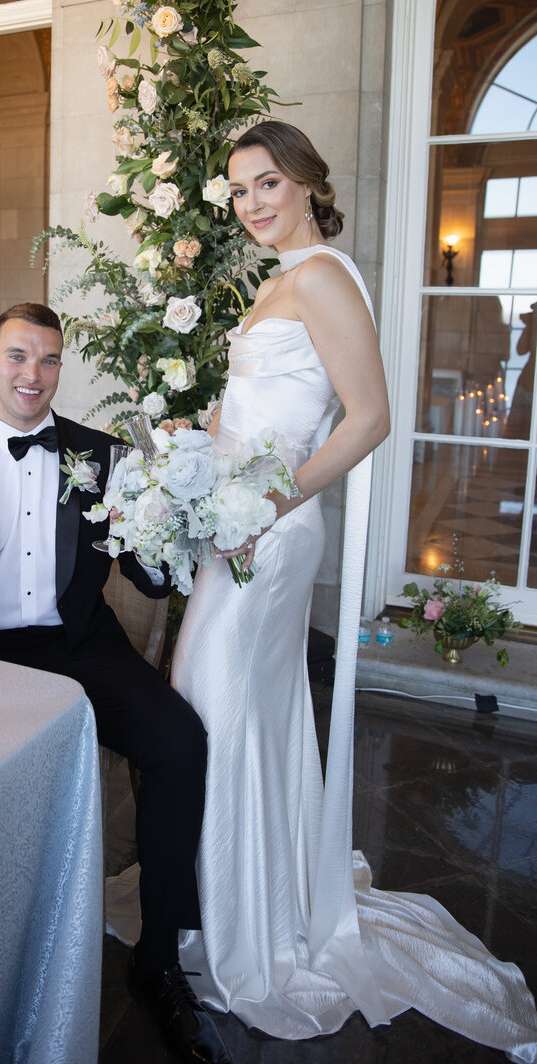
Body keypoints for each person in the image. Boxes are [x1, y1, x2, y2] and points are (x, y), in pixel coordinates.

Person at [171, 122, 537, 1057]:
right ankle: (243, 892)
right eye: (238, 190)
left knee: (221, 702)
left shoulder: (324, 277)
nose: (252, 204)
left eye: (266, 183)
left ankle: (254, 924)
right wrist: (188, 452)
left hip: (273, 527)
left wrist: (268, 501)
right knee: (224, 703)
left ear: (305, 182)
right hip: (236, 521)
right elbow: (256, 408)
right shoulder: (277, 281)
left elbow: (369, 417)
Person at [0, 302, 231, 1064]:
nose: (33, 374)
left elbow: (150, 579)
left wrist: (165, 518)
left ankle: (159, 961)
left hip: (79, 644)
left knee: (180, 742)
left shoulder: (102, 455)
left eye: (49, 360)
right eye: (18, 357)